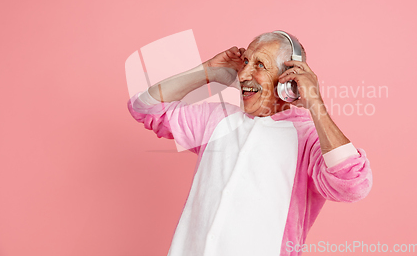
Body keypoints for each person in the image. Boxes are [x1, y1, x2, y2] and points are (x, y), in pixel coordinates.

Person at [127, 30, 372, 256]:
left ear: (289, 80)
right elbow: (146, 108)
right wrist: (207, 72)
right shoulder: (218, 120)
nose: (243, 74)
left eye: (259, 65)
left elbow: (353, 184)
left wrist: (315, 104)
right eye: (245, 62)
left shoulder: (307, 138)